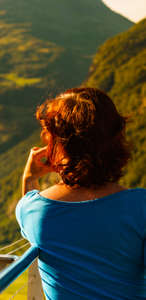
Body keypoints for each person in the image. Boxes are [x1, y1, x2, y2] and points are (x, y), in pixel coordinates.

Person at [16, 87, 145, 299]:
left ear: (58, 146)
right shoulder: (141, 206)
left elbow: (28, 218)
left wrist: (29, 178)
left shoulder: (33, 210)